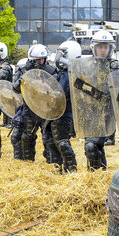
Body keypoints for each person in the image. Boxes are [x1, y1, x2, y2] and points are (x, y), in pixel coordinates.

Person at [82, 30, 119, 171]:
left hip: (105, 113)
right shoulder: (86, 65)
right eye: (100, 46)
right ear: (94, 47)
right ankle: (98, 175)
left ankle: (96, 175)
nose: (103, 50)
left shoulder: (115, 66)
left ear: (110, 48)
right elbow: (79, 86)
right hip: (89, 112)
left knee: (91, 145)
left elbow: (118, 91)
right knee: (93, 147)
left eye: (105, 47)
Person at [13, 45, 58, 162]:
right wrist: (26, 75)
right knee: (27, 136)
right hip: (30, 109)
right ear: (32, 60)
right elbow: (16, 88)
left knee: (48, 138)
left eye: (43, 59)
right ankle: (28, 162)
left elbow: (56, 90)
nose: (41, 62)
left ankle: (51, 162)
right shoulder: (24, 71)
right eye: (38, 59)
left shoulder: (51, 71)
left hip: (46, 109)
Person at [45, 40, 81, 172]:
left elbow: (61, 92)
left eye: (63, 55)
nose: (59, 57)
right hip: (55, 112)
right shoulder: (61, 72)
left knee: (62, 142)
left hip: (64, 113)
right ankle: (59, 168)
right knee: (52, 142)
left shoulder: (69, 74)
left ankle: (71, 169)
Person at [10, 57, 32, 161]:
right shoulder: (22, 78)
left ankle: (28, 161)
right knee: (15, 137)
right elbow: (15, 88)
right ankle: (18, 160)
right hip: (23, 110)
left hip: (33, 113)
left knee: (28, 139)